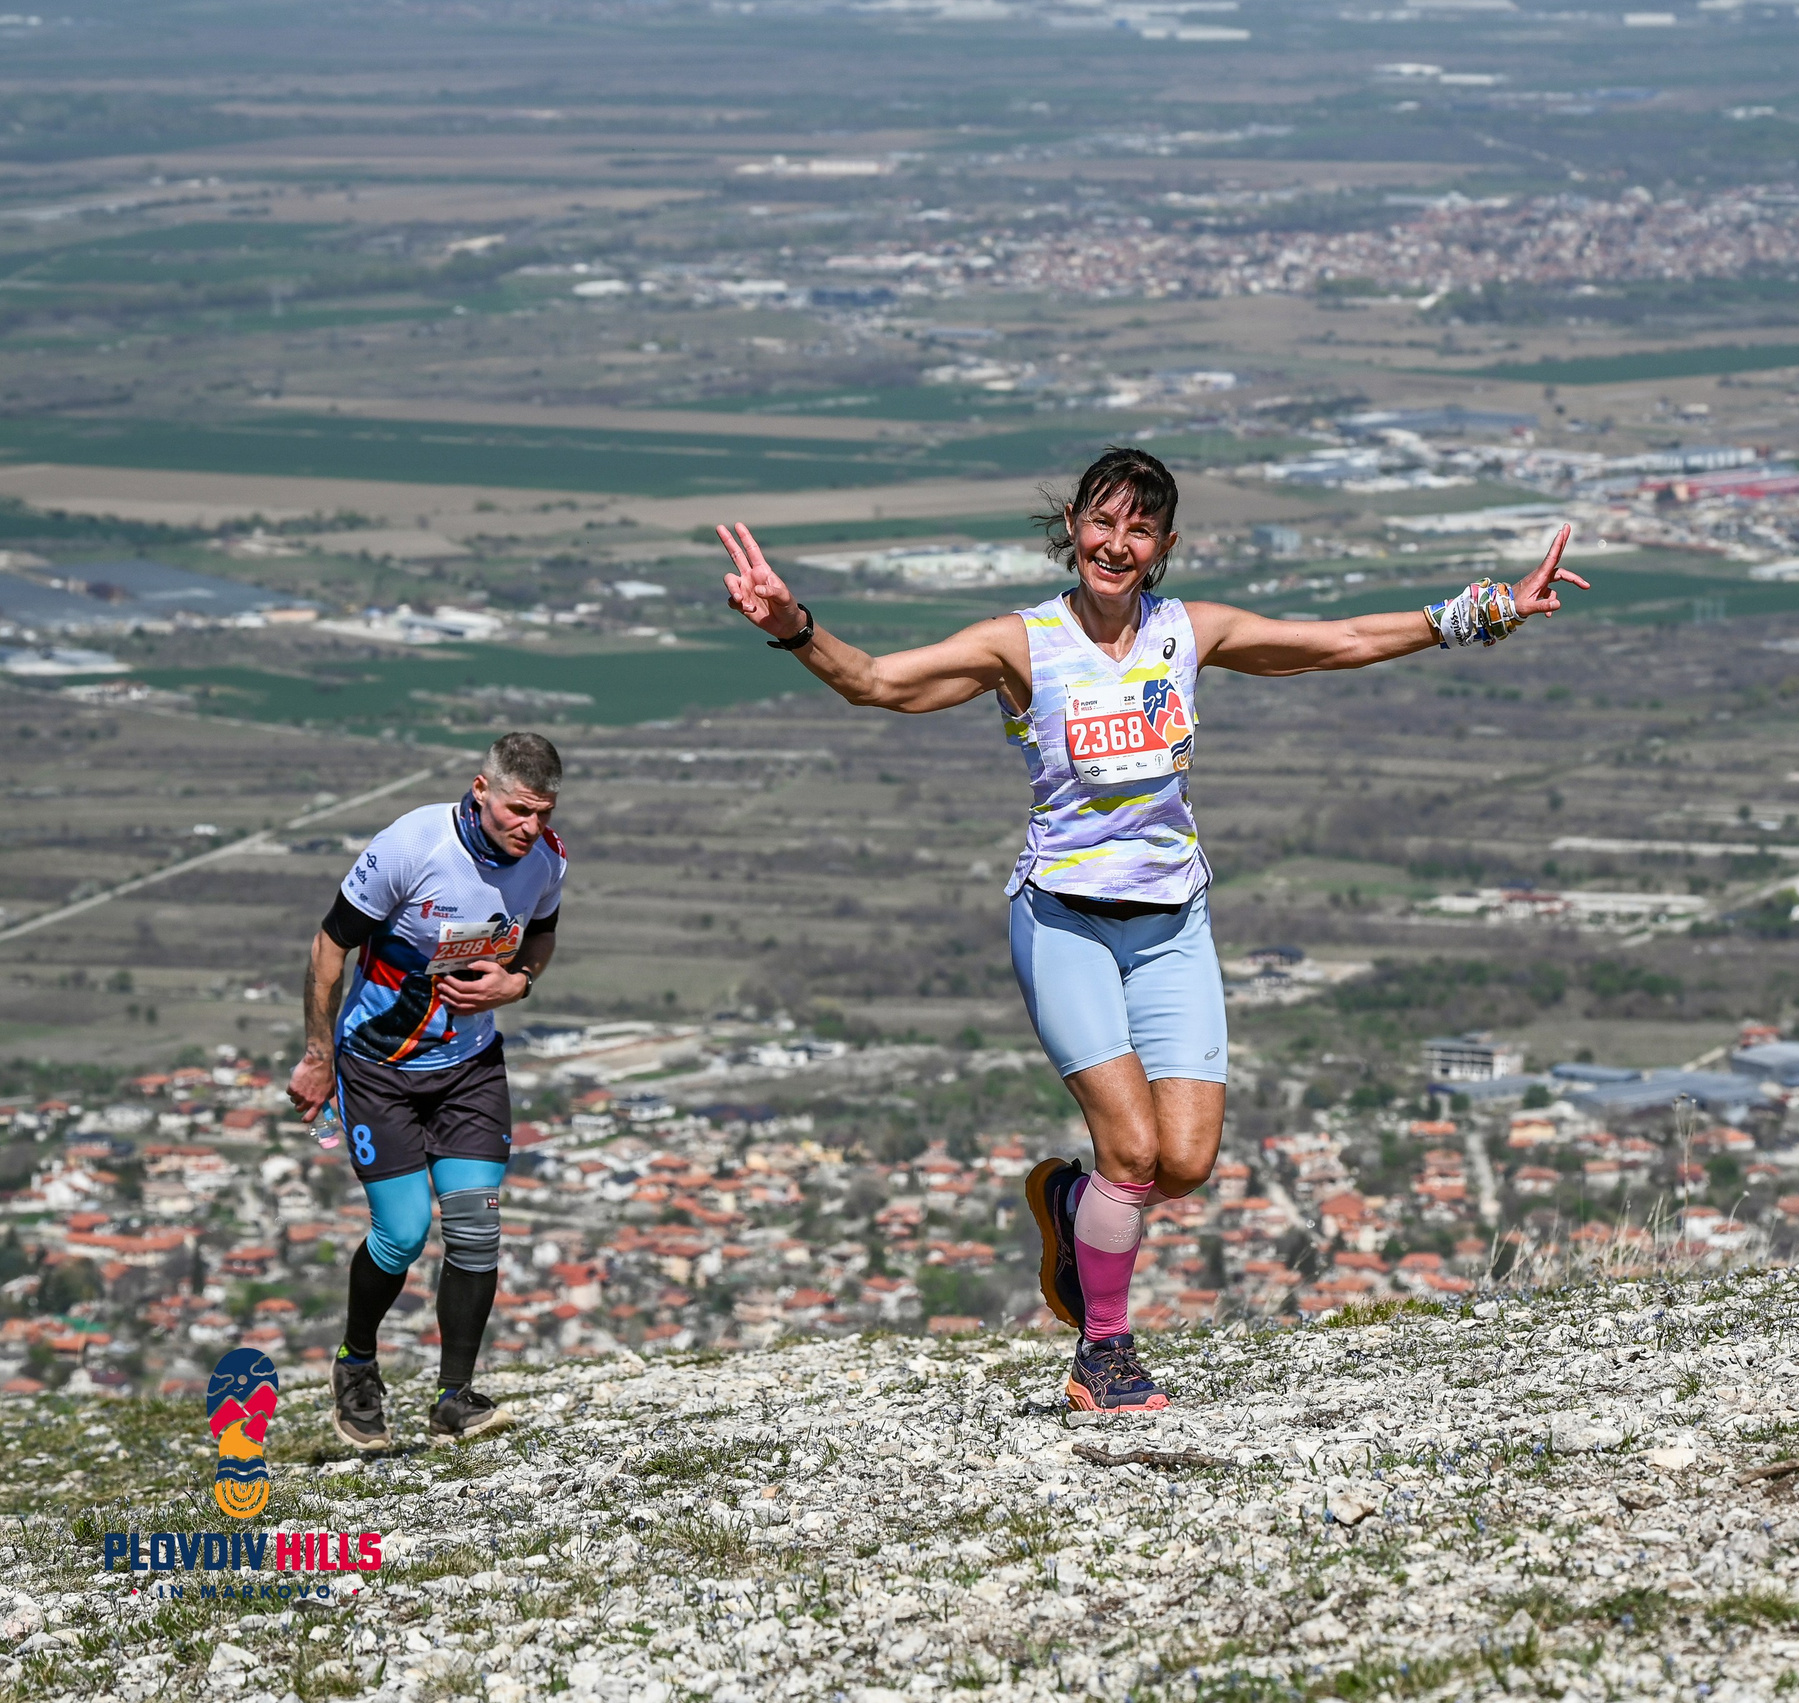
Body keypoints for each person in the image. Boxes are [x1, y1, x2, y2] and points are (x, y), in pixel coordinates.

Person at [717, 446, 1585, 1411]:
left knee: (1185, 1161)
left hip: (1174, 922)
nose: (1115, 544)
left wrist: (1483, 610)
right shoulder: (1023, 643)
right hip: (1065, 921)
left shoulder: (1187, 631)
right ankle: (1104, 1353)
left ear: (1163, 546)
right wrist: (793, 627)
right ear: (1073, 525)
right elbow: (879, 680)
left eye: (1139, 530)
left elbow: (1335, 640)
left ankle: (1068, 1203)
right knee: (1130, 1153)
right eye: (1102, 521)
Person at [285, 732, 568, 1448]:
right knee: (404, 1231)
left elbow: (541, 939)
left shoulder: (547, 859)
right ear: (481, 789)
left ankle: (453, 1397)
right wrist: (318, 1055)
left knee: (475, 1227)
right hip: (379, 1067)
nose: (530, 825)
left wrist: (518, 983)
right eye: (518, 809)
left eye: (544, 811)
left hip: (469, 1067)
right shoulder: (412, 847)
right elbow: (329, 946)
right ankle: (355, 1364)